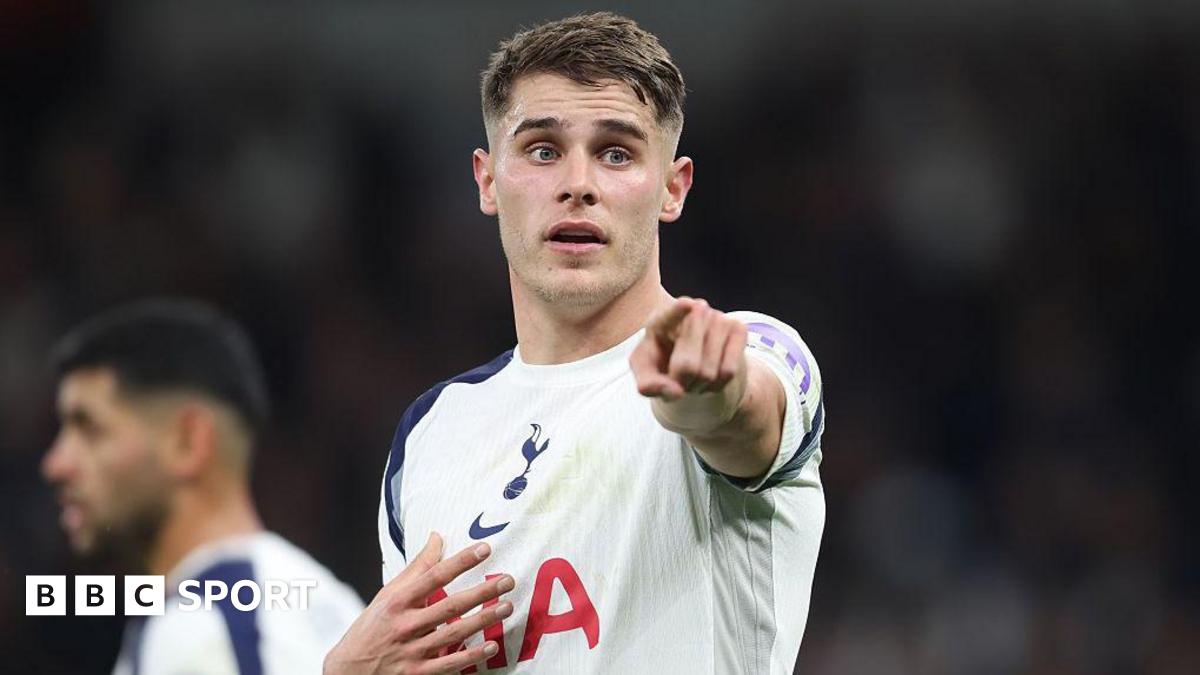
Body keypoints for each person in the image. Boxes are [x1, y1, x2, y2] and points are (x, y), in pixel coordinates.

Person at [325, 11, 825, 674]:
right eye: (542, 150)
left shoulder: (744, 347)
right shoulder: (428, 434)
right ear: (486, 180)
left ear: (673, 188)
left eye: (616, 152)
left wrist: (703, 396)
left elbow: (739, 412)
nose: (578, 183)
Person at [43, 299, 364, 674]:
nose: (56, 464)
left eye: (90, 429)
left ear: (187, 442)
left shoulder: (206, 630)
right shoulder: (306, 596)